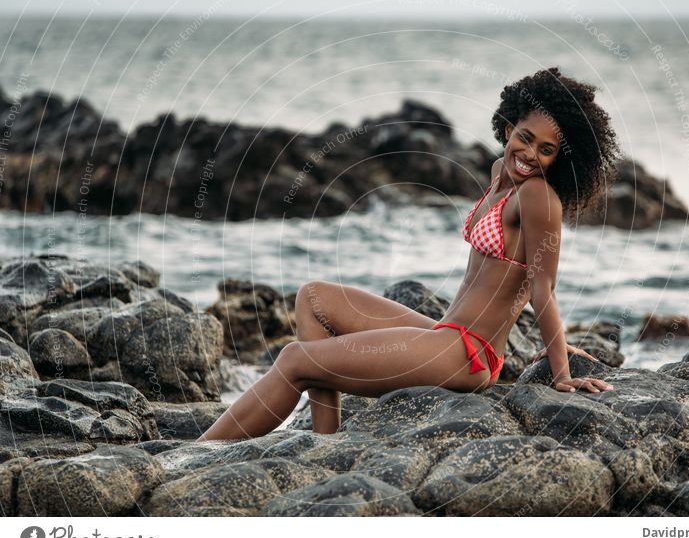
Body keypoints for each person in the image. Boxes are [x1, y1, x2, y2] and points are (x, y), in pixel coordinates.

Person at [197, 67, 620, 441]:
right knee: (313, 298)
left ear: (561, 160)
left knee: (293, 358)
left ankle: (196, 455)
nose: (529, 155)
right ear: (508, 127)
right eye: (525, 138)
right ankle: (324, 443)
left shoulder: (539, 198)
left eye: (546, 150)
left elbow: (542, 288)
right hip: (444, 334)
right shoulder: (498, 174)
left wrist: (561, 370)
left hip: (468, 356)